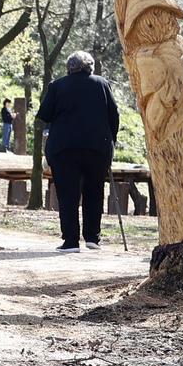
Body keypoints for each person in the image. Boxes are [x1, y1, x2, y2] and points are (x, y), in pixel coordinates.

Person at [36, 51, 120, 253]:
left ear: (69, 67)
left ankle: (71, 241)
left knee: (67, 194)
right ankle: (93, 238)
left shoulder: (57, 85)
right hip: (97, 147)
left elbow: (43, 115)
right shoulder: (102, 84)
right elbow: (114, 114)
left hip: (64, 148)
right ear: (90, 66)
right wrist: (112, 140)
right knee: (95, 191)